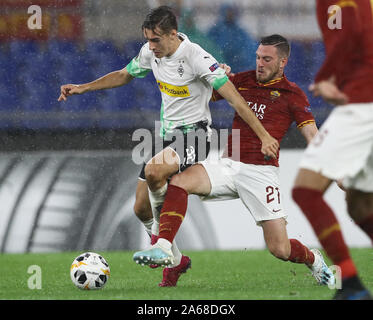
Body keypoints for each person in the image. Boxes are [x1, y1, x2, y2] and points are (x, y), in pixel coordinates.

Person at [58, 6, 279, 287]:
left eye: (156, 40)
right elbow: (125, 74)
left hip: (196, 136)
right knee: (140, 208)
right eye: (148, 39)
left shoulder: (197, 57)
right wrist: (83, 87)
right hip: (166, 136)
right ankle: (175, 260)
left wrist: (263, 135)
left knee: (154, 171)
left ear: (173, 34)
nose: (151, 46)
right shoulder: (151, 52)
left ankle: (162, 245)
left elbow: (235, 98)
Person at [133, 34, 335, 287]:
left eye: (267, 59)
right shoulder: (244, 80)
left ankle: (313, 259)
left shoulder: (293, 95)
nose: (260, 63)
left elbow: (313, 137)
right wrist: (214, 77)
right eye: (258, 57)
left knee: (280, 249)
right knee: (180, 181)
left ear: (283, 62)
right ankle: (166, 252)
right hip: (228, 164)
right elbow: (201, 95)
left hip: (261, 174)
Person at [292, 0, 373, 300]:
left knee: (306, 191)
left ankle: (350, 283)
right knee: (360, 204)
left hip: (363, 103)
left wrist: (326, 76)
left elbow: (347, 31)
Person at [207, 4, 257, 73]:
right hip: (220, 66)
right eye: (228, 12)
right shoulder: (216, 30)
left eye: (232, 12)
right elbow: (209, 46)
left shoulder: (239, 31)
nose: (230, 14)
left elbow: (249, 48)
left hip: (237, 66)